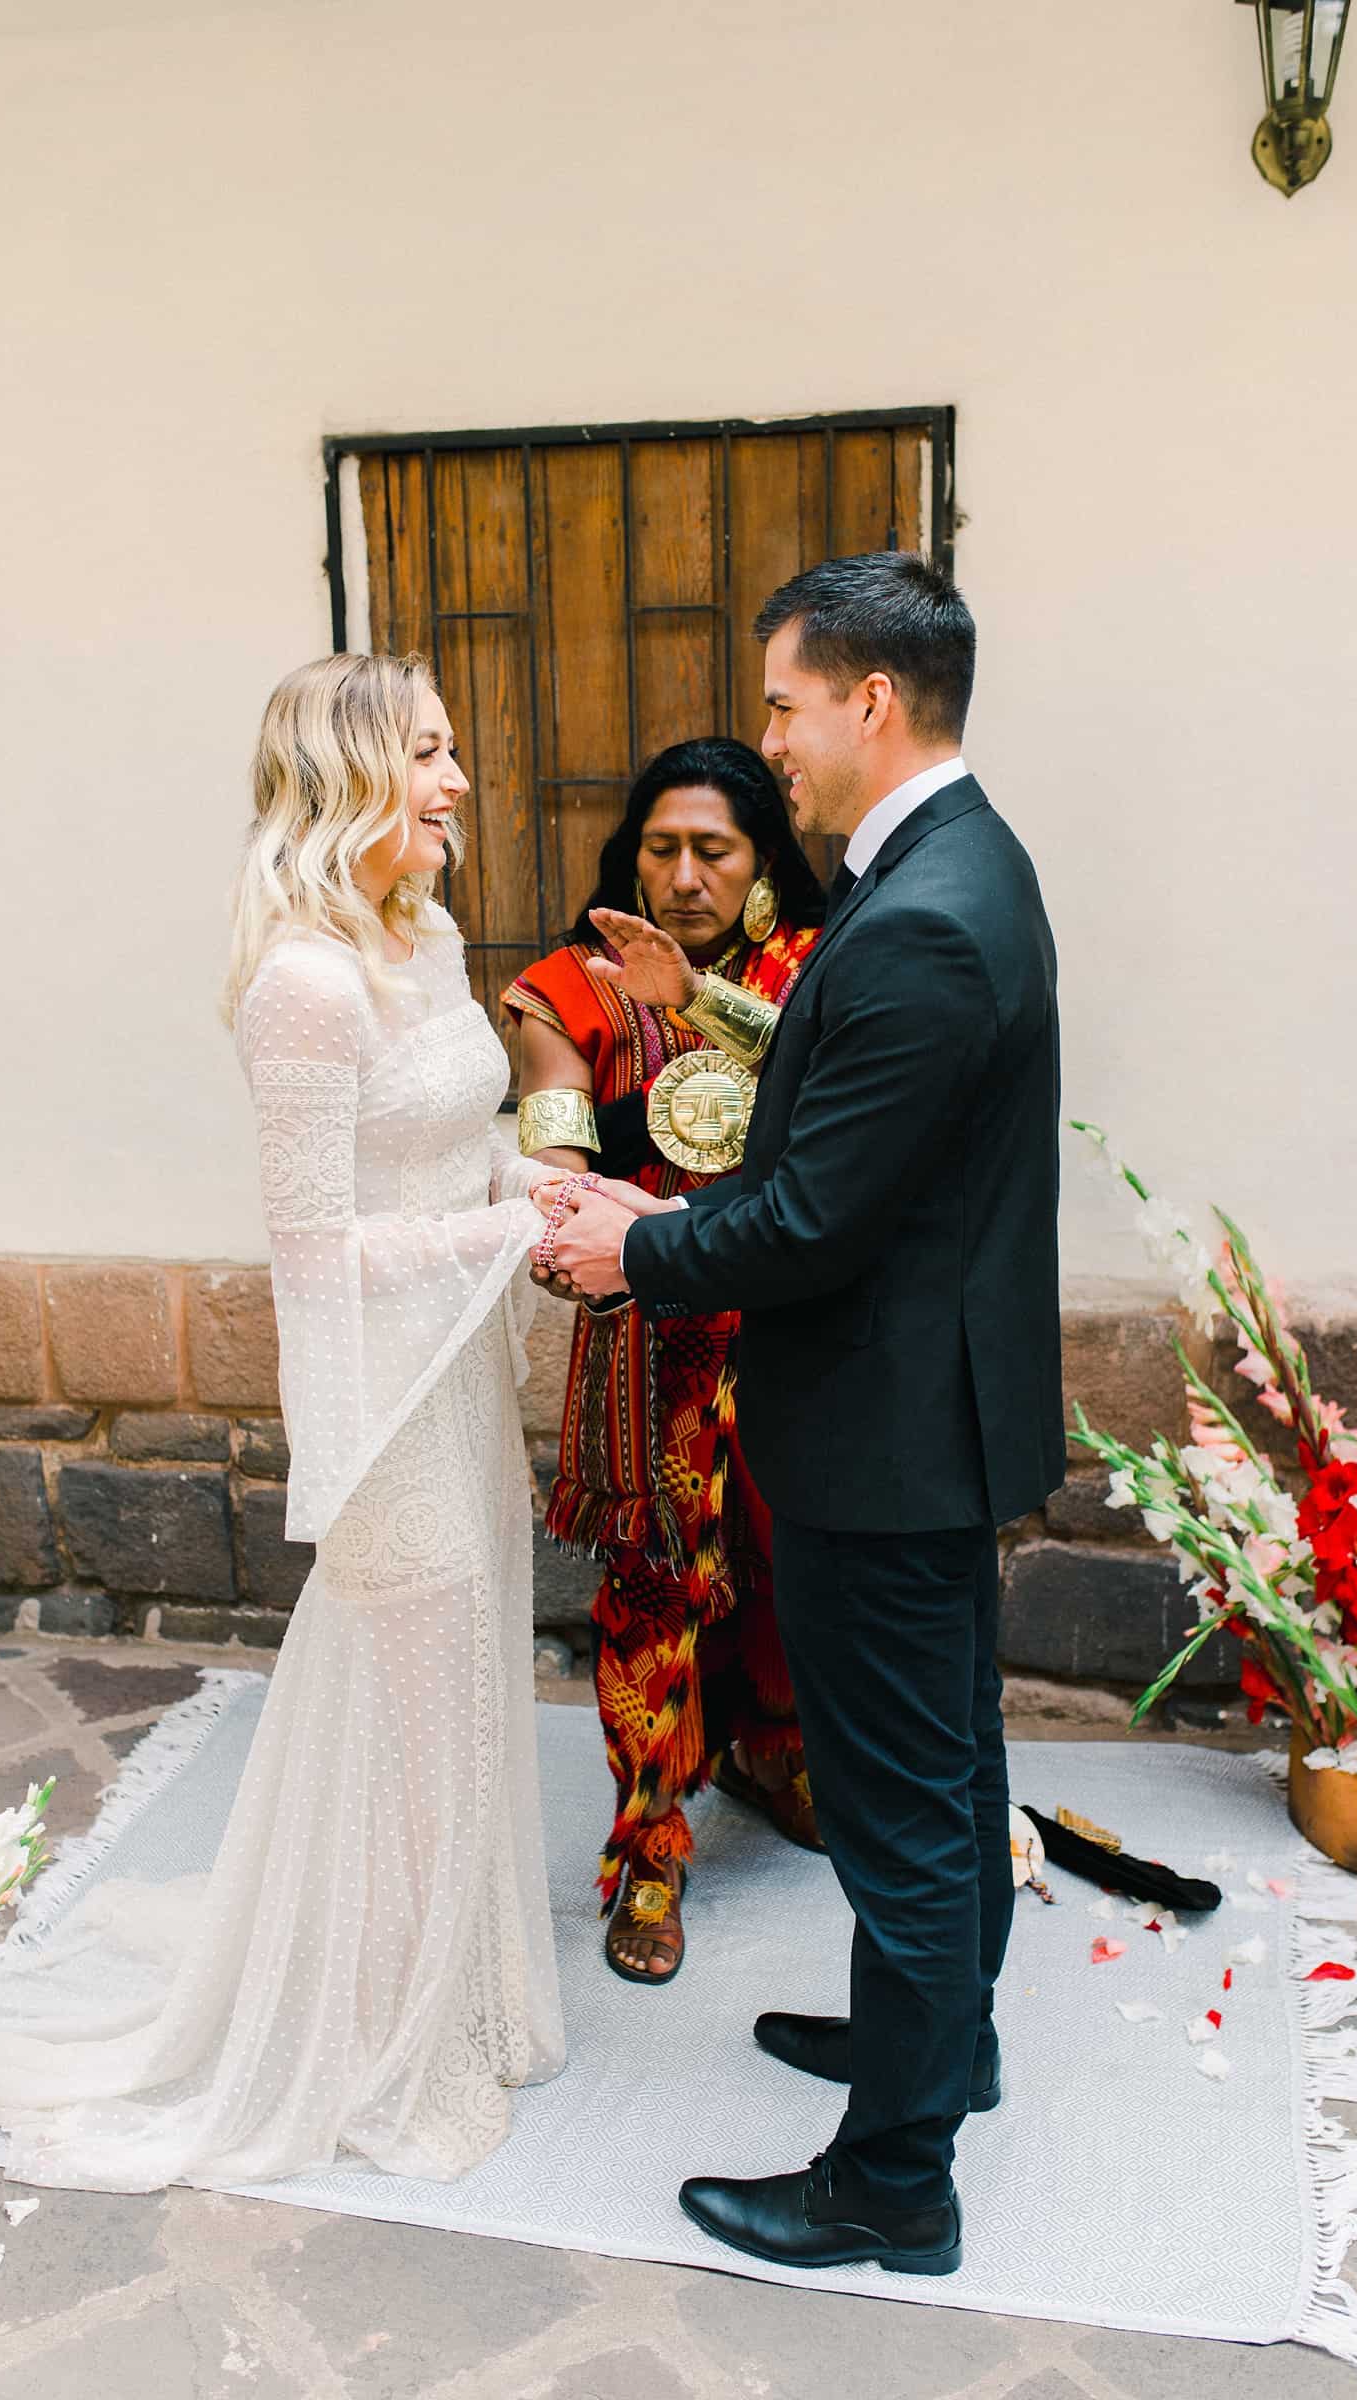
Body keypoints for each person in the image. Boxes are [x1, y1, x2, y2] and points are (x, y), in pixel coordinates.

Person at [0, 653, 564, 2190]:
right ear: (352, 775)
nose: (457, 783)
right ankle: (379, 2048)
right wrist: (496, 1239)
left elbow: (450, 1152)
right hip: (383, 1415)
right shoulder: (302, 986)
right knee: (423, 1721)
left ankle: (457, 1996)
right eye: (427, 755)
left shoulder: (421, 940)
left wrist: (539, 1191)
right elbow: (316, 1251)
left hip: (463, 1392)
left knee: (470, 1701)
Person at [540, 554, 1063, 2275]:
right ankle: (946, 2048)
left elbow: (818, 1218)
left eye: (781, 702)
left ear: (870, 703)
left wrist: (643, 1248)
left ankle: (893, 2184)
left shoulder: (914, 913)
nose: (772, 737)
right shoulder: (960, 870)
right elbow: (856, 1118)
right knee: (953, 1766)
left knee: (907, 1814)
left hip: (886, 1438)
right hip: (932, 1415)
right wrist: (717, 1016)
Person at [503, 740, 827, 1984]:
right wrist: (557, 1197)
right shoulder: (566, 990)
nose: (685, 874)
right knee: (652, 1585)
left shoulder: (812, 972)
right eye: (661, 847)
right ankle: (646, 1842)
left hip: (792, 1325)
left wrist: (694, 997)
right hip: (650, 1337)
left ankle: (775, 1756)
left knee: (796, 1556)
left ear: (762, 865)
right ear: (627, 855)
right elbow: (558, 1142)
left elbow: (831, 1088)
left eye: (715, 850)